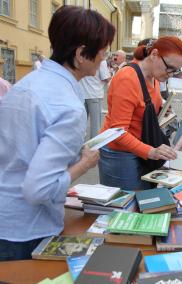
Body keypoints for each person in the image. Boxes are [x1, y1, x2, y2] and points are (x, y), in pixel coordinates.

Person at [0, 5, 115, 261]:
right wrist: (84, 164)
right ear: (81, 54)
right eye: (102, 53)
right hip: (25, 229)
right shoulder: (68, 106)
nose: (103, 60)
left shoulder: (27, 84)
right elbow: (38, 190)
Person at [98, 36, 182, 190]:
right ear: (154, 55)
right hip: (119, 154)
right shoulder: (127, 78)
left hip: (140, 150)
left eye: (176, 71)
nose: (171, 74)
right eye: (169, 68)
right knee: (127, 208)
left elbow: (145, 108)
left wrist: (162, 111)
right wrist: (151, 151)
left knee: (144, 202)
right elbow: (117, 131)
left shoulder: (154, 78)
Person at [79, 59, 111, 138]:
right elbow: (105, 78)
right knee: (96, 124)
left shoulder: (82, 57)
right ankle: (94, 147)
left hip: (82, 94)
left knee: (81, 123)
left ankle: (78, 145)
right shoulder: (101, 60)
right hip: (95, 94)